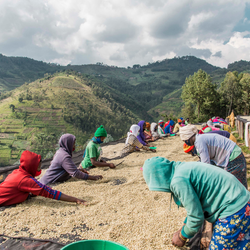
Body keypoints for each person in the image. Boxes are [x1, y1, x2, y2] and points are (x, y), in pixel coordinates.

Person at [143, 156, 250, 249]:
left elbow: (196, 217)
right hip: (243, 201)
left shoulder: (178, 181)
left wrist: (182, 236)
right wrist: (185, 225)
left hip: (234, 210)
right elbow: (197, 205)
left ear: (158, 179)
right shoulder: (182, 169)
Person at [0, 150, 88, 206]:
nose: (39, 169)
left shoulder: (18, 172)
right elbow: (49, 192)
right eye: (37, 167)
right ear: (31, 167)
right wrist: (75, 199)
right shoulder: (25, 180)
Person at [179, 124, 248, 188]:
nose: (186, 142)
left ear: (188, 137)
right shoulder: (200, 138)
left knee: (234, 186)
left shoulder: (199, 141)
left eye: (185, 140)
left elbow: (206, 164)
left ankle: (245, 200)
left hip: (232, 156)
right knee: (237, 185)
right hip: (233, 154)